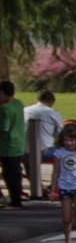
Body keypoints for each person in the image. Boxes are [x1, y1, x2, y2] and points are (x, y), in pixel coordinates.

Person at [43, 123, 76, 243]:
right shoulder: (60, 152)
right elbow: (56, 171)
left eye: (72, 140)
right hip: (64, 186)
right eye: (66, 140)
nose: (69, 143)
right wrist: (53, 189)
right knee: (66, 218)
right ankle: (68, 242)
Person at [24, 92, 64, 188]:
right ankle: (54, 186)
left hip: (24, 151)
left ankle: (37, 186)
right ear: (51, 101)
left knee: (28, 159)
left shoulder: (24, 110)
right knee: (65, 154)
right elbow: (60, 135)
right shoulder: (52, 113)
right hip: (45, 150)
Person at [0, 80, 24, 209]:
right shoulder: (18, 103)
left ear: (3, 93)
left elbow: (4, 129)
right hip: (18, 143)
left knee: (9, 174)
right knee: (16, 172)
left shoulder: (4, 109)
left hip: (7, 146)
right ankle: (16, 198)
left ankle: (15, 201)